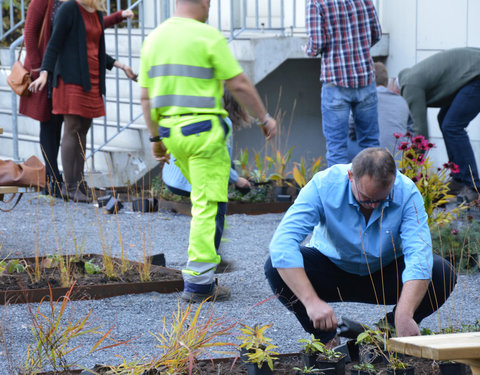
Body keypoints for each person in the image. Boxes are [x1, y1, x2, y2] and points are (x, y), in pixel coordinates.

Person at [139, 0, 277, 303]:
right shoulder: (208, 36)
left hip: (172, 134)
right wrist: (264, 118)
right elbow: (238, 83)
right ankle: (200, 283)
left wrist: (155, 139)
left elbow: (146, 98)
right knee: (208, 205)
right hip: (204, 135)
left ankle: (209, 261)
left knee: (205, 200)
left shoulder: (154, 39)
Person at [265, 148, 456, 345]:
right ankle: (326, 338)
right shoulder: (323, 185)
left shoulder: (406, 192)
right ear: (351, 176)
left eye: (381, 200)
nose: (374, 205)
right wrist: (311, 301)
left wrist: (405, 313)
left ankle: (388, 331)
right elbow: (282, 244)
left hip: (384, 273)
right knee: (275, 267)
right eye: (366, 198)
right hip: (331, 270)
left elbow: (419, 255)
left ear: (393, 180)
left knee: (441, 272)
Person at [20, 0, 134, 198]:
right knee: (53, 127)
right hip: (54, 70)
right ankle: (56, 181)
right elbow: (31, 34)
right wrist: (41, 71)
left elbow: (89, 31)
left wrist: (119, 63)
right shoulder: (52, 3)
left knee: (77, 129)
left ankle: (74, 184)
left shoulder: (87, 8)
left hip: (79, 72)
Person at [162, 88, 252, 267]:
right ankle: (210, 259)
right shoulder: (220, 121)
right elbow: (221, 160)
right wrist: (237, 180)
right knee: (217, 209)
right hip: (187, 177)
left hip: (173, 175)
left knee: (205, 209)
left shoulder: (196, 111)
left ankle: (206, 255)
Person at [391, 48, 480, 202]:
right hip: (471, 72)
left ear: (394, 91)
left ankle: (472, 185)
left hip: (476, 73)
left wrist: (409, 172)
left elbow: (421, 135)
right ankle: (458, 179)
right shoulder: (410, 78)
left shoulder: (409, 86)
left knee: (452, 126)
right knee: (445, 119)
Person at [305, 0, 382, 167]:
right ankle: (375, 192)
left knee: (337, 149)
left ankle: (341, 193)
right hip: (365, 80)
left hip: (335, 82)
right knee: (371, 146)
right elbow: (376, 34)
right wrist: (359, 49)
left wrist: (307, 48)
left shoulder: (316, 3)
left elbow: (316, 44)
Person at [348, 62, 413, 162]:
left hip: (374, 163)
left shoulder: (364, 99)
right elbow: (411, 132)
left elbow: (350, 128)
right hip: (400, 162)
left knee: (344, 138)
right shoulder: (402, 101)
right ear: (386, 81)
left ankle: (348, 171)